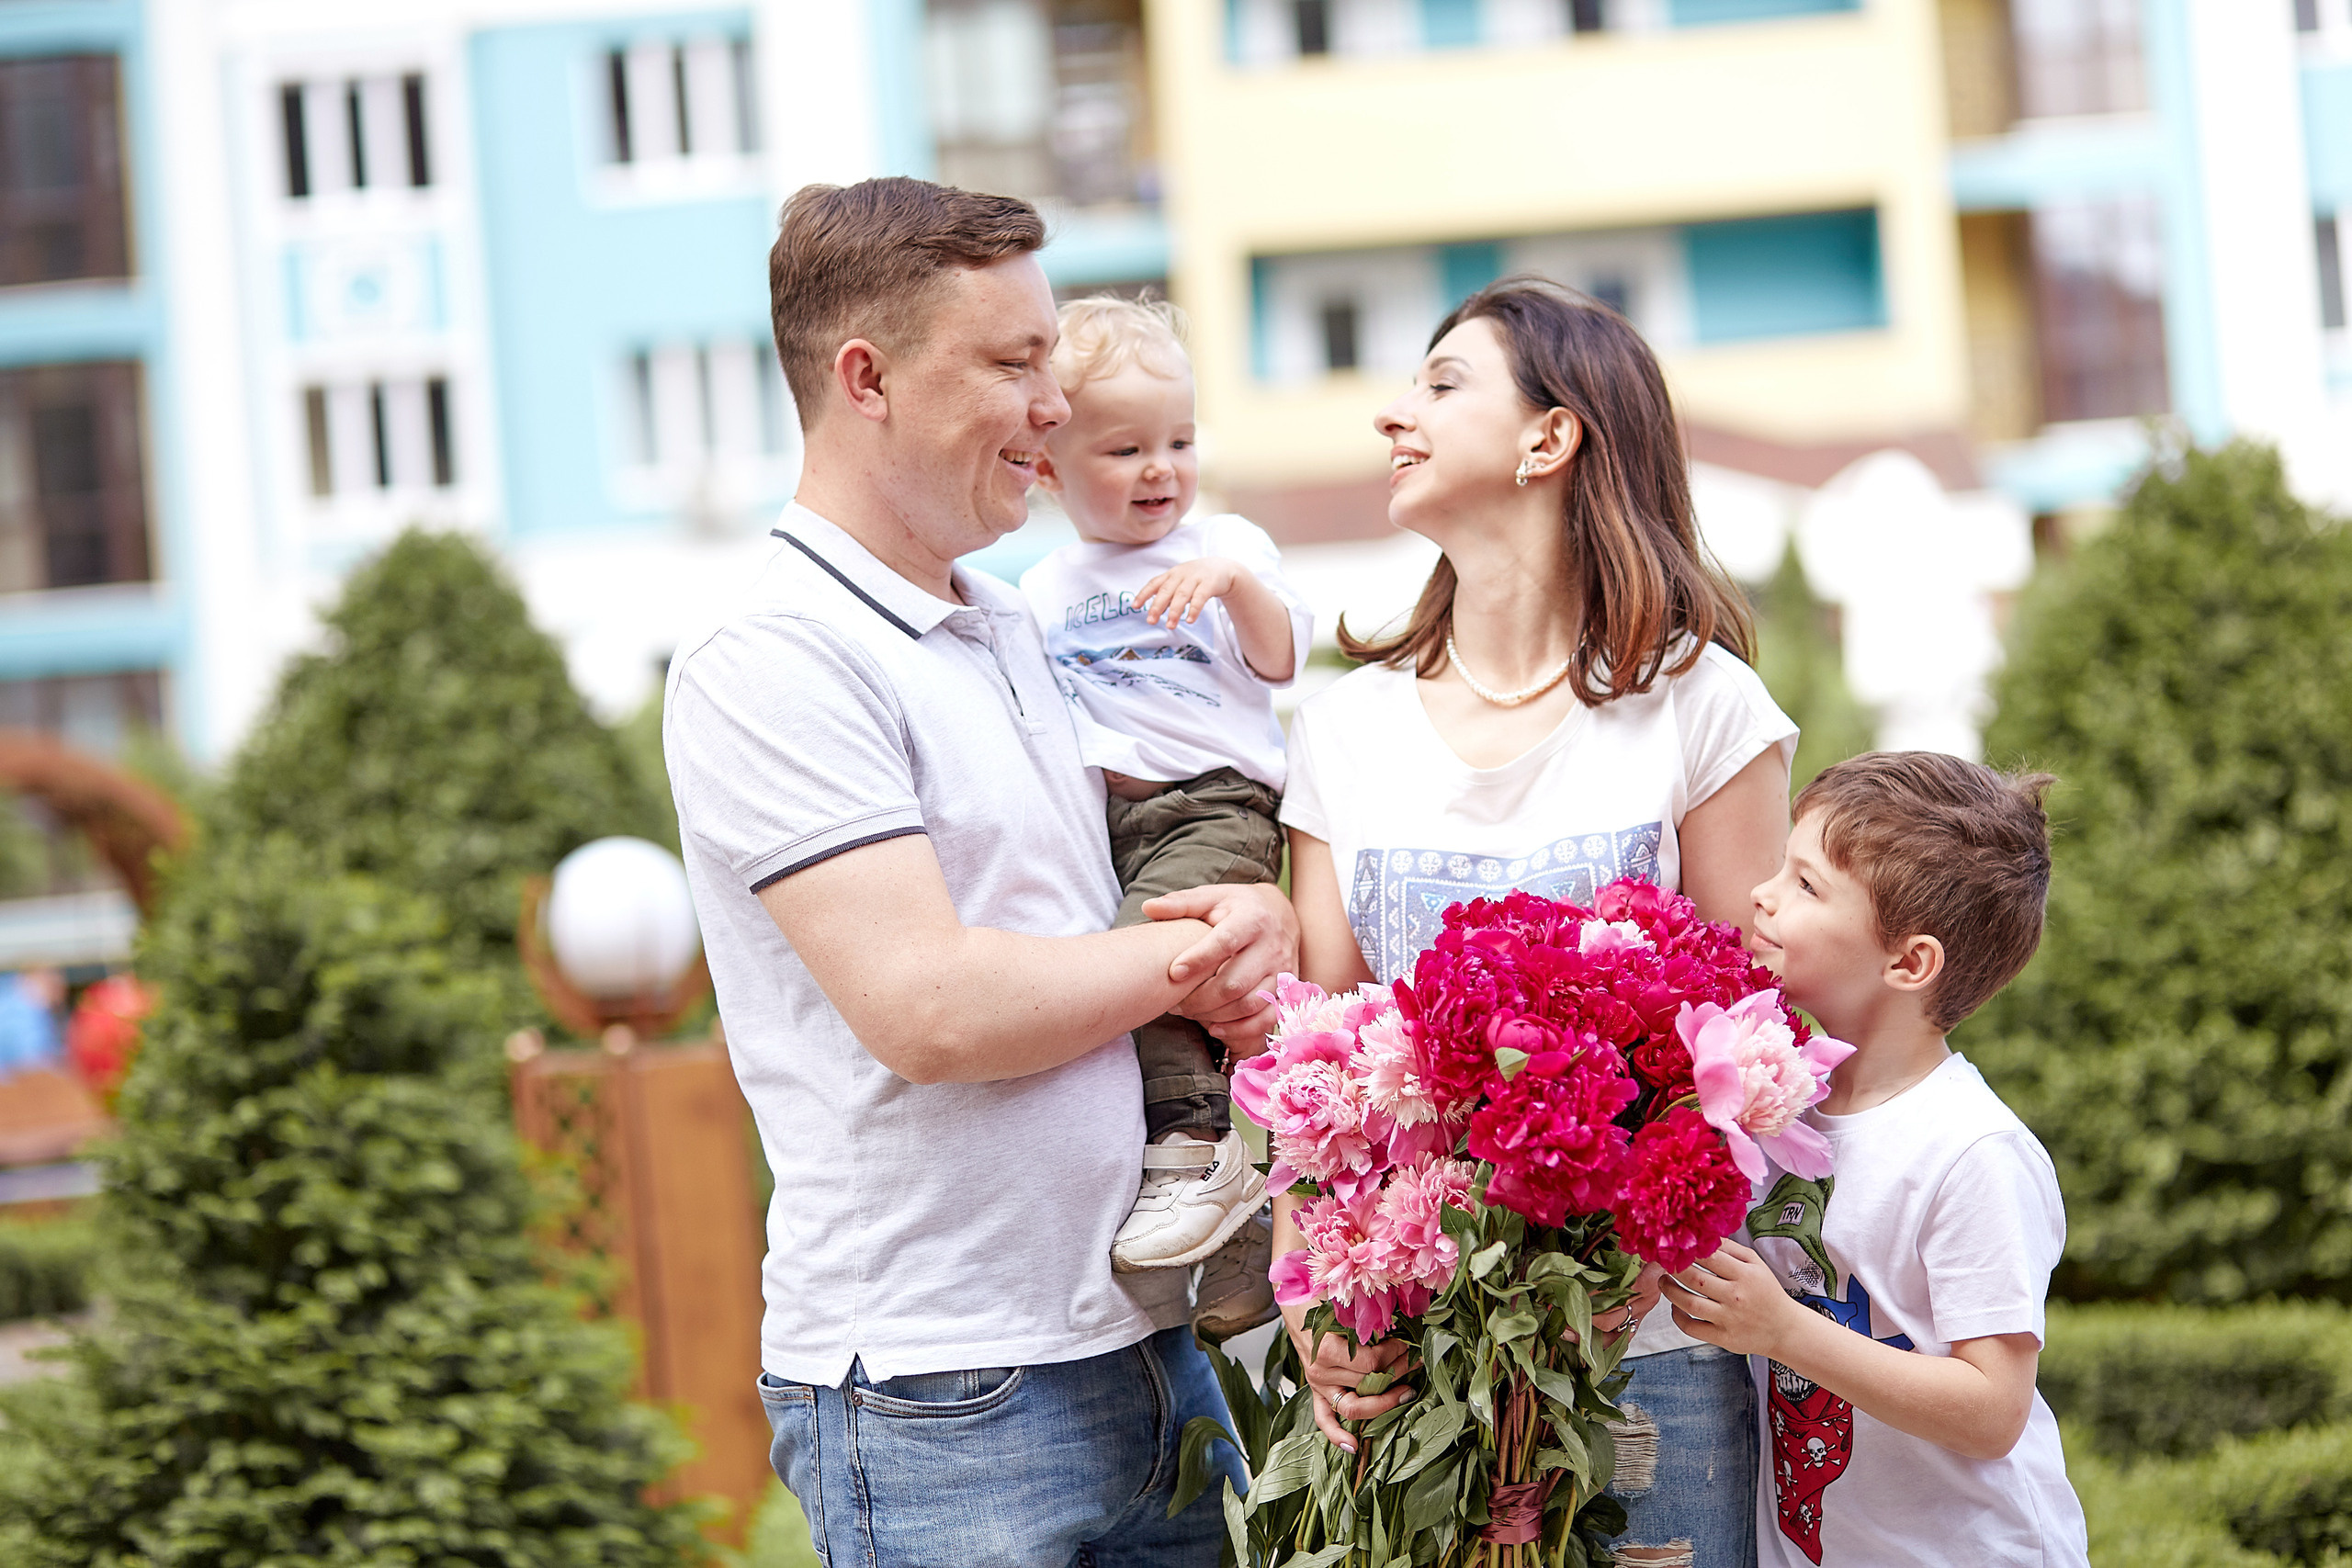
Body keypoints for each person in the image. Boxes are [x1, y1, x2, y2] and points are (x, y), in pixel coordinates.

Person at [663, 177, 1297, 1568]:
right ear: (867, 378)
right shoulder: (775, 651)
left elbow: (1108, 893)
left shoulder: (1012, 619)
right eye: (1013, 363)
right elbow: (933, 1007)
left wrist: (1254, 907)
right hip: (941, 1389)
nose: (1055, 407)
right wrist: (1198, 954)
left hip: (1136, 1341)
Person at [1276, 277, 1795, 1566]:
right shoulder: (1345, 728)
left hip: (1651, 1349)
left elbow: (1759, 1044)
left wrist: (1611, 1288)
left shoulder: (1702, 706)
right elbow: (1310, 1049)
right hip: (1410, 1346)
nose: (1395, 414)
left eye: (1442, 384)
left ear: (1549, 438)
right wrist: (1313, 1296)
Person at [1660, 752, 2090, 1568]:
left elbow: (1994, 1407)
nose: (1763, 893)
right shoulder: (1776, 1103)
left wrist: (1783, 1329)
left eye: (1807, 885)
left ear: (1909, 962)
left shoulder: (1971, 1152)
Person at [1019, 295, 1309, 1339]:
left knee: (1147, 964)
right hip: (1114, 822)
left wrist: (1232, 584)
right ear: (1048, 469)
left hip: (1215, 803)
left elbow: (1282, 659)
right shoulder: (1042, 589)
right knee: (1156, 983)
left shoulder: (1224, 543)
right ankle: (1230, 1236)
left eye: (1179, 442)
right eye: (1125, 448)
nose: (1160, 470)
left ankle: (1190, 1147)